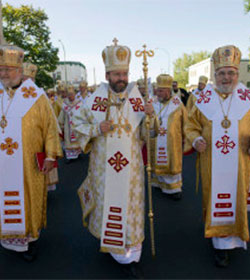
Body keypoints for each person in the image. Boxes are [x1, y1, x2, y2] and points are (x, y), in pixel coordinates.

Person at [72, 38, 158, 278]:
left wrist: (151, 117)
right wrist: (96, 129)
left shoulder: (136, 97)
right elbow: (76, 124)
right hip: (103, 167)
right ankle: (110, 244)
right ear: (107, 74)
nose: (121, 78)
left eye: (124, 73)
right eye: (116, 74)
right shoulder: (94, 98)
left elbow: (148, 133)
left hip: (130, 168)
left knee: (130, 206)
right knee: (107, 202)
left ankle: (130, 254)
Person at [185, 45, 250, 267]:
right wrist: (195, 140)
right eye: (222, 73)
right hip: (211, 161)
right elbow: (190, 125)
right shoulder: (202, 99)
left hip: (240, 160)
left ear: (237, 74)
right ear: (215, 75)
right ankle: (220, 246)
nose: (226, 77)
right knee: (215, 197)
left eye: (231, 72)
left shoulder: (247, 97)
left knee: (236, 197)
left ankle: (235, 237)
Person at [0, 43, 62, 261]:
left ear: (19, 70)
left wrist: (51, 156)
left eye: (8, 69)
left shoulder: (37, 96)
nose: (4, 73)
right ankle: (7, 237)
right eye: (1, 69)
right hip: (2, 164)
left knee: (28, 199)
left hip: (28, 163)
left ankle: (29, 240)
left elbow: (51, 128)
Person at [151, 74, 187, 200]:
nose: (158, 93)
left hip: (173, 141)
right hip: (156, 139)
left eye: (161, 91)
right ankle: (159, 183)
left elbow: (186, 122)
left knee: (172, 163)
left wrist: (185, 137)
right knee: (157, 160)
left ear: (168, 91)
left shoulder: (178, 104)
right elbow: (146, 121)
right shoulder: (153, 103)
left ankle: (174, 188)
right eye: (157, 90)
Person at [58, 85, 82, 163]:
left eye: (72, 94)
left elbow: (83, 114)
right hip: (68, 127)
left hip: (77, 126)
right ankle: (70, 157)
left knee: (77, 141)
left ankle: (78, 154)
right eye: (69, 95)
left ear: (75, 94)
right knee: (68, 141)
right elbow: (62, 116)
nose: (70, 96)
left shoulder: (79, 103)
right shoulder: (65, 104)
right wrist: (60, 125)